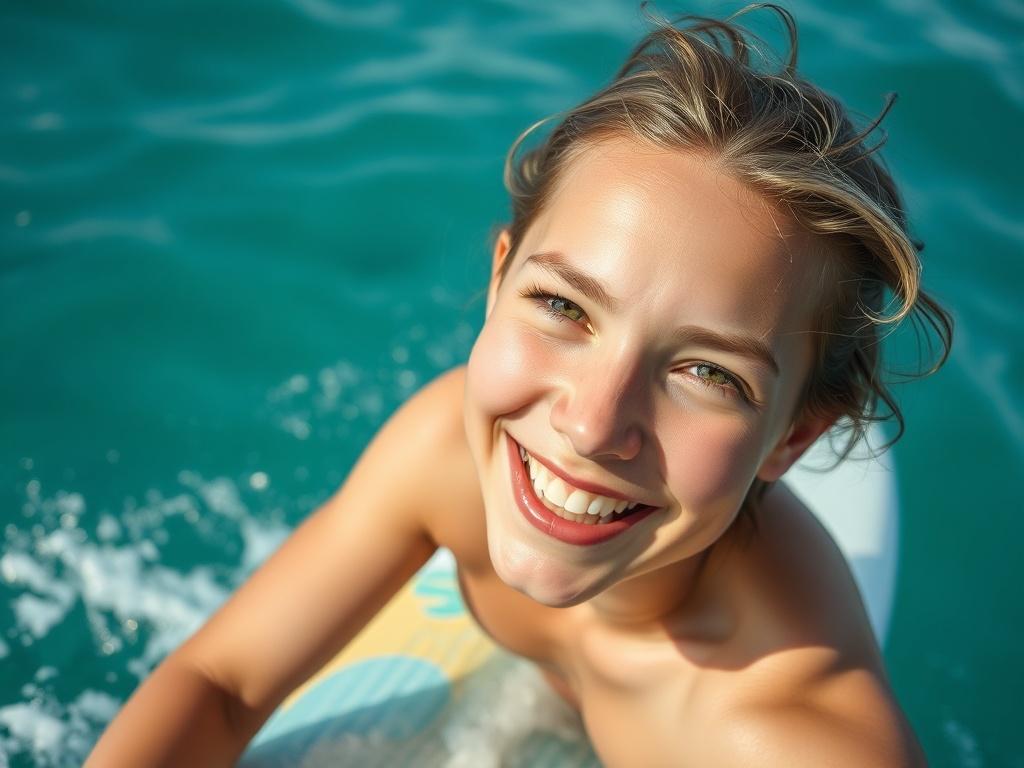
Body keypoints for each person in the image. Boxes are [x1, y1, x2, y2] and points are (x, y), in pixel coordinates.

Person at [87, 4, 952, 765]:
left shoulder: (786, 737)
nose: (590, 424)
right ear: (500, 279)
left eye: (706, 373)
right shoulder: (446, 455)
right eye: (564, 307)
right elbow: (223, 683)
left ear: (793, 438)